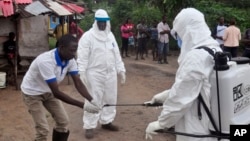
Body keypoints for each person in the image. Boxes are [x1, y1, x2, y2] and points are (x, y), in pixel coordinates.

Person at [144, 8, 222, 141]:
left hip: (197, 128)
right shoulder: (214, 48)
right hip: (212, 123)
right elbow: (195, 86)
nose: (179, 39)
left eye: (179, 34)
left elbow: (181, 97)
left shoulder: (195, 57)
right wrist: (162, 97)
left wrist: (162, 122)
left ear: (188, 32)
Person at [20, 34, 100, 141]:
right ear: (62, 47)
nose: (74, 54)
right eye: (71, 50)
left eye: (75, 50)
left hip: (48, 92)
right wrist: (84, 105)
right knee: (42, 129)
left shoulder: (70, 60)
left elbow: (78, 83)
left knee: (63, 122)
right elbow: (56, 93)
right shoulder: (46, 61)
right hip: (32, 94)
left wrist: (92, 100)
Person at [77, 9, 126, 139]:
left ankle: (107, 121)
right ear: (96, 22)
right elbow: (82, 56)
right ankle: (89, 126)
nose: (103, 25)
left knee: (110, 98)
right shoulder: (88, 37)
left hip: (110, 73)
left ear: (107, 22)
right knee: (93, 98)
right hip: (94, 73)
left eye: (105, 22)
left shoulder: (110, 36)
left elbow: (116, 54)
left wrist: (121, 69)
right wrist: (81, 72)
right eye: (100, 22)